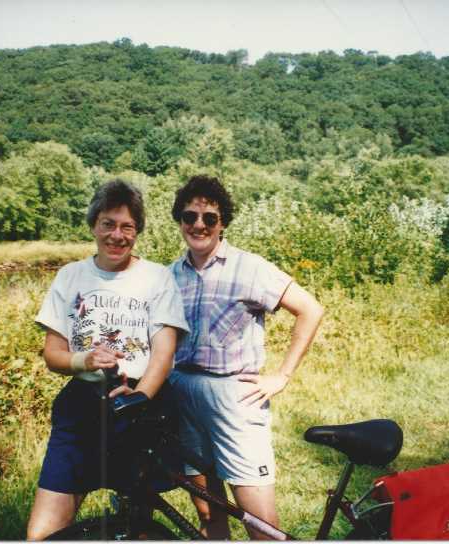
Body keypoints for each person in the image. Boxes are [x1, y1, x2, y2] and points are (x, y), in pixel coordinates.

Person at [26, 179, 189, 540]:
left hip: (140, 407)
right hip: (82, 407)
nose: (117, 235)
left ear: (138, 230)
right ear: (93, 226)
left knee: (137, 527)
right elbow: (53, 354)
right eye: (108, 224)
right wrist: (84, 360)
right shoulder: (71, 277)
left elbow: (164, 351)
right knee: (42, 534)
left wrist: (141, 395)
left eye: (127, 226)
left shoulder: (156, 278)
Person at [167, 175, 325, 540]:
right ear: (180, 221)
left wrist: (282, 375)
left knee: (261, 525)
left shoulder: (249, 267)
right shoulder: (170, 275)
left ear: (223, 223)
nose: (199, 225)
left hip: (234, 397)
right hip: (182, 392)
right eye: (190, 216)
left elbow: (310, 309)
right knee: (208, 512)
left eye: (210, 218)